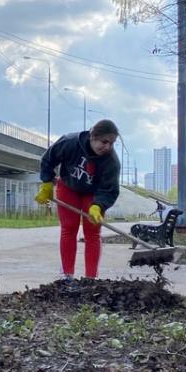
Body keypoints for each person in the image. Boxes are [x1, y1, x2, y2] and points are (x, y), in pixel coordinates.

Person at [34, 119, 121, 280]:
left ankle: (90, 278)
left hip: (93, 194)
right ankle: (67, 275)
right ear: (93, 136)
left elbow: (110, 189)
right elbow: (48, 159)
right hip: (68, 188)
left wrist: (98, 206)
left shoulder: (111, 161)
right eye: (104, 141)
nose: (108, 147)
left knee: (92, 232)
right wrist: (47, 183)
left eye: (112, 143)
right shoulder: (69, 142)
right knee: (69, 228)